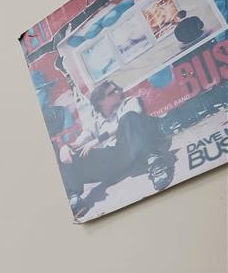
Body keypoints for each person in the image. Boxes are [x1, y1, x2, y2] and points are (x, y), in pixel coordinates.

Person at [61, 81, 171, 215]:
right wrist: (68, 147)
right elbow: (86, 134)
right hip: (111, 160)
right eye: (112, 92)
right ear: (101, 101)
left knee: (128, 117)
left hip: (130, 150)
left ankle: (156, 165)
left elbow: (129, 120)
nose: (118, 92)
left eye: (117, 89)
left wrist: (97, 140)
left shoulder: (129, 102)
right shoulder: (94, 118)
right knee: (70, 154)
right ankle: (75, 199)